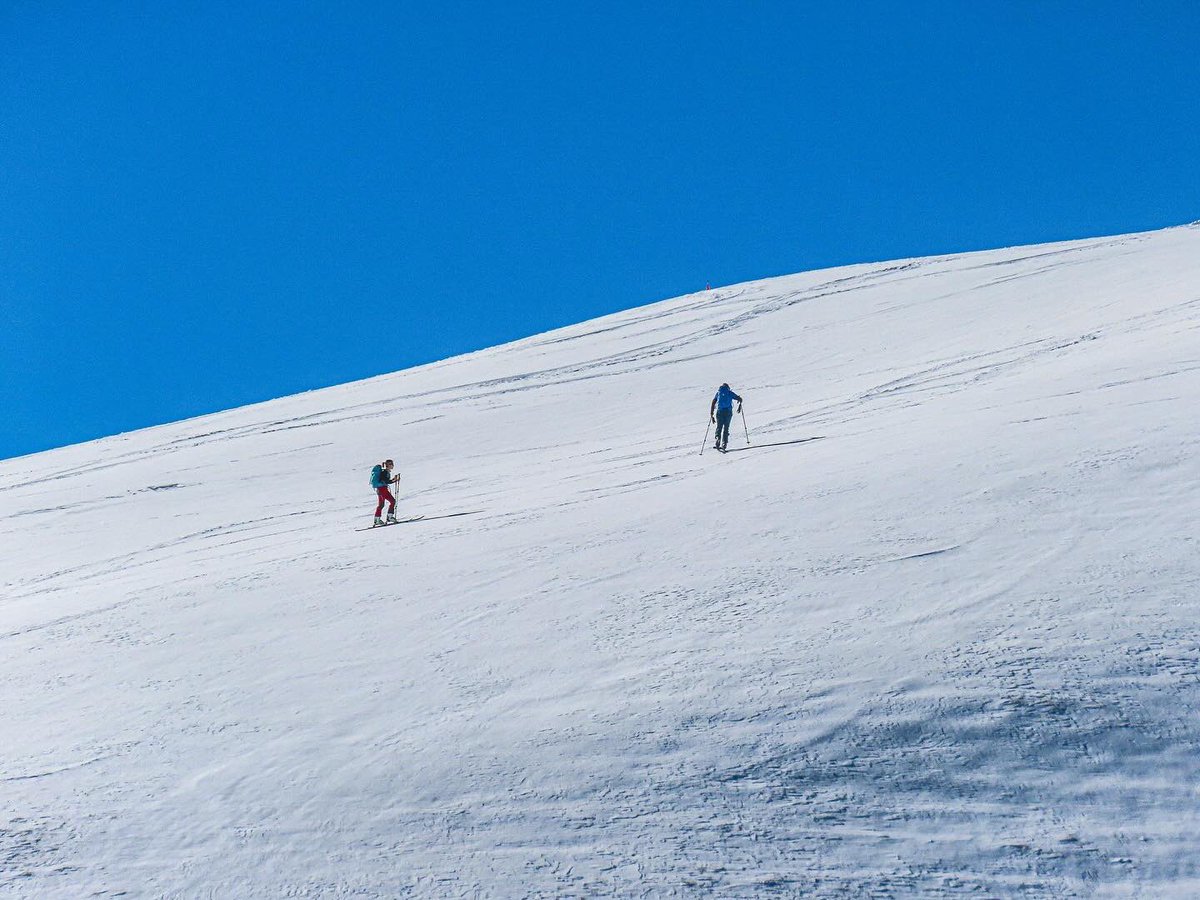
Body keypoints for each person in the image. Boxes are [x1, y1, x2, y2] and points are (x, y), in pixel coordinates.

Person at [709, 383, 743, 452]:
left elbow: (713, 402)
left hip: (719, 412)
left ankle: (718, 439)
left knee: (719, 427)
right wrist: (740, 403)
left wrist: (711, 413)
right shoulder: (729, 392)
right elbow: (739, 398)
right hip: (728, 412)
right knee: (726, 428)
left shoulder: (718, 392)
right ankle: (724, 443)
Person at [370, 459, 400, 526]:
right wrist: (394, 480)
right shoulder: (385, 472)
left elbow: (385, 481)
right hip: (383, 489)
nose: (393, 465)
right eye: (391, 464)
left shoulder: (384, 472)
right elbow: (386, 481)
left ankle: (377, 519)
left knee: (381, 505)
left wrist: (393, 480)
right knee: (392, 501)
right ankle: (389, 517)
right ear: (388, 465)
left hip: (379, 489)